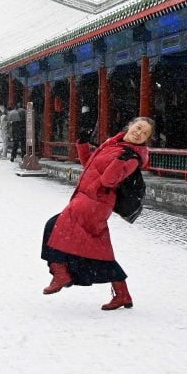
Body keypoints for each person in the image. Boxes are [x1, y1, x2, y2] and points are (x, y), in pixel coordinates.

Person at [40, 117, 154, 310]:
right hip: (87, 198)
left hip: (95, 203)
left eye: (145, 133)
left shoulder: (132, 157)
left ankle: (60, 273)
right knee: (98, 249)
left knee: (54, 227)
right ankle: (123, 295)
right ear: (130, 126)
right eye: (138, 127)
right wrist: (83, 144)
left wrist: (121, 161)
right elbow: (90, 166)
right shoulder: (115, 143)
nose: (139, 133)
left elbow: (109, 180)